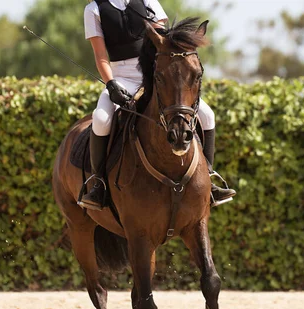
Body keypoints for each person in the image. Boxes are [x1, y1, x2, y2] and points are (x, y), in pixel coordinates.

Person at [79, 0, 236, 211]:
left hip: (154, 73)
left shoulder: (147, 1)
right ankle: (99, 185)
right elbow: (100, 56)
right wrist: (111, 84)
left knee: (207, 116)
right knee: (101, 119)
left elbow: (165, 39)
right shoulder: (94, 9)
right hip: (121, 76)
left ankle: (209, 177)